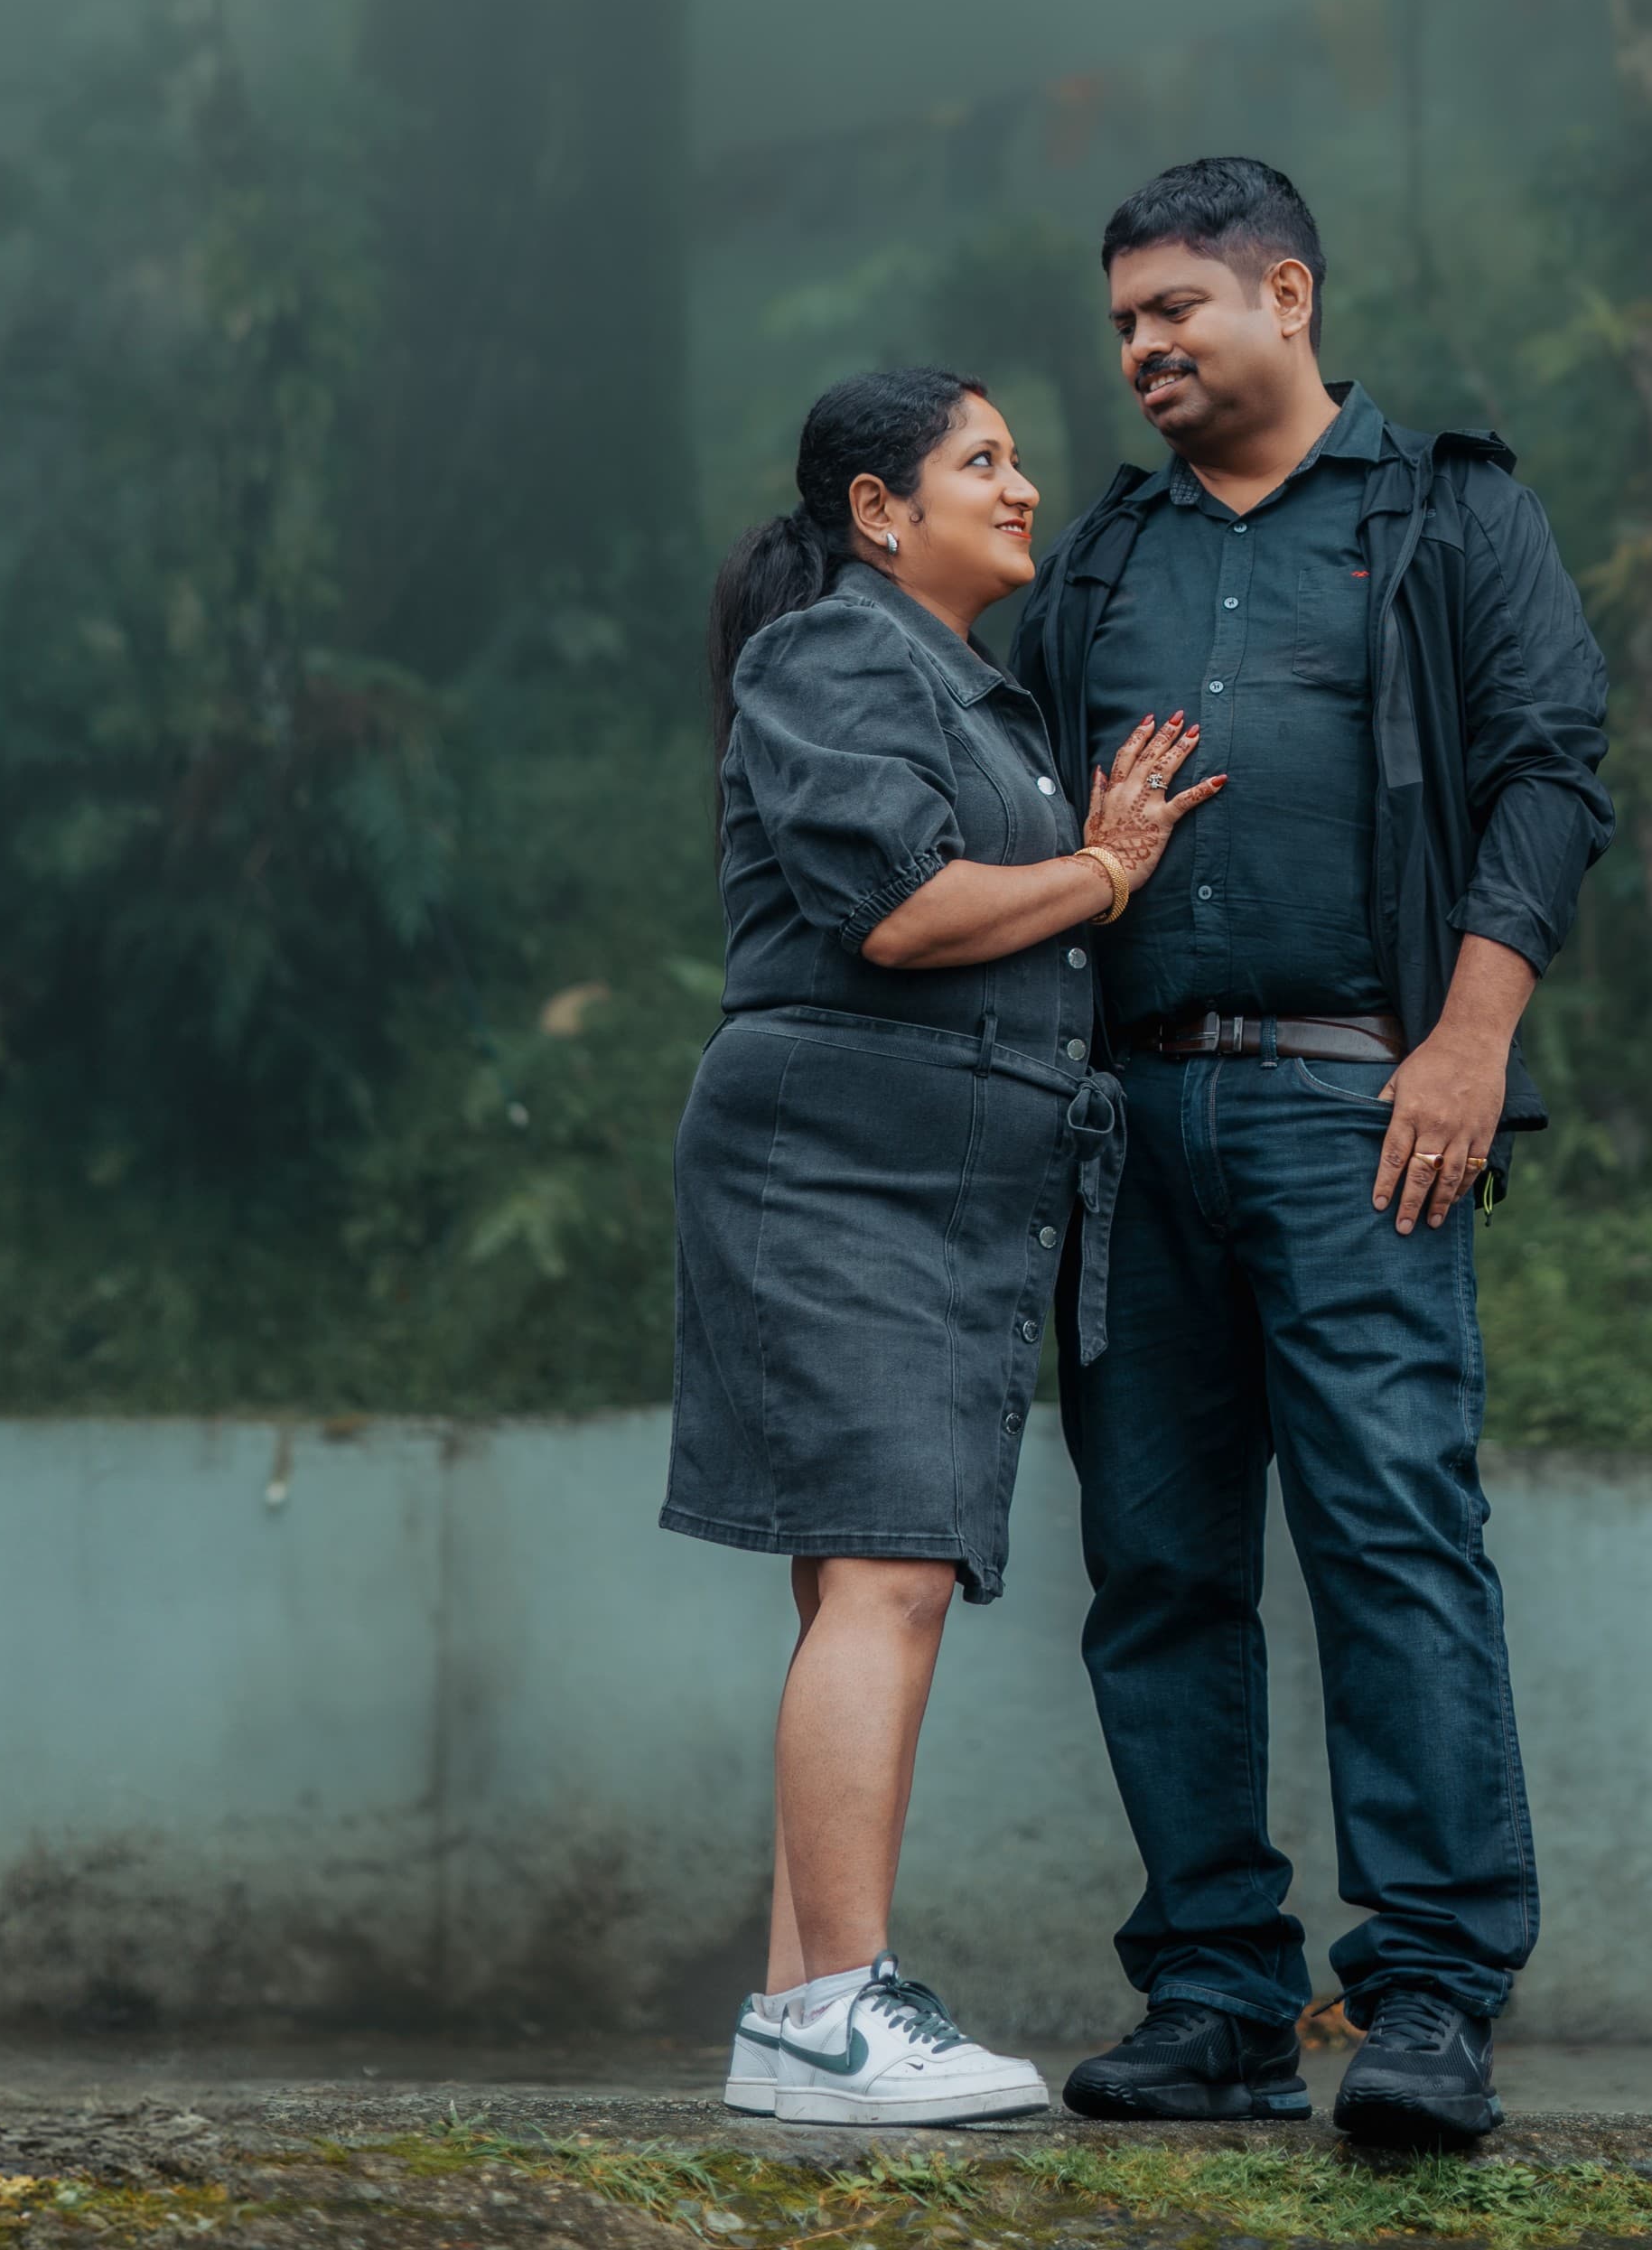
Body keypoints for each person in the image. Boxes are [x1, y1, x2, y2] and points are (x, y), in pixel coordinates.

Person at [1013, 159, 1613, 2148]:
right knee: (1158, 1564)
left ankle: (1429, 1997)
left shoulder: (1447, 509)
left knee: (1392, 1542)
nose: (1144, 348)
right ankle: (1213, 1996)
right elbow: (1025, 825)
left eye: (1176, 305)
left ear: (1287, 290)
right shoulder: (1101, 554)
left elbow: (1548, 770)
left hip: (1364, 1106)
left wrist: (1467, 1035)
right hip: (1129, 1117)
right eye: (1120, 324)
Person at [667, 366, 1219, 2127]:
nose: (1023, 480)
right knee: (889, 1570)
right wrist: (1108, 869)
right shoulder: (834, 649)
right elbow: (901, 904)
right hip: (838, 1161)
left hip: (929, 1174)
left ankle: (785, 2010)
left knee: (865, 1576)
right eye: (980, 457)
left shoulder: (957, 682)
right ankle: (840, 2001)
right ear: (876, 510)